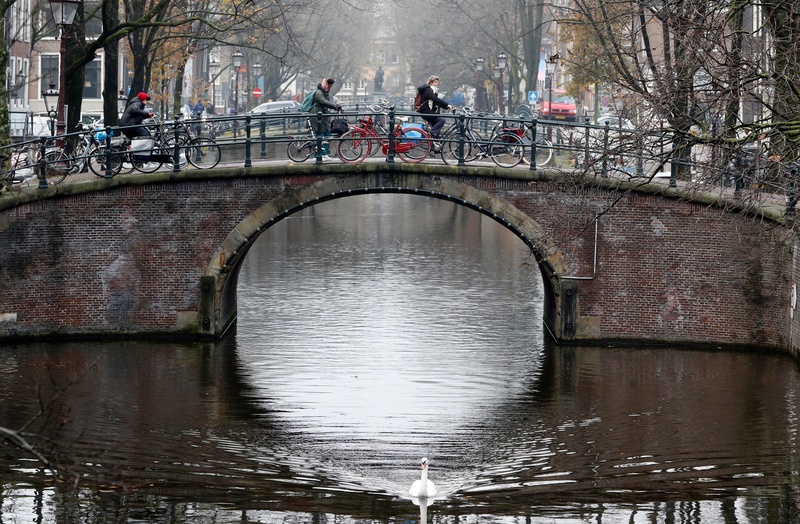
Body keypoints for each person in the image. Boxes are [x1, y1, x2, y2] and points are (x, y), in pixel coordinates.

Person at [417, 75, 452, 152]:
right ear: (431, 83)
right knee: (441, 120)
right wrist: (447, 104)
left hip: (429, 112)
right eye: (435, 82)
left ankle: (435, 147)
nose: (437, 84)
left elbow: (436, 102)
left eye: (437, 82)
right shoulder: (428, 91)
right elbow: (435, 99)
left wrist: (447, 107)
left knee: (437, 127)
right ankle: (431, 136)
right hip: (426, 112)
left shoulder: (433, 91)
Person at [310, 77, 342, 161]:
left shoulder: (325, 93)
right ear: (325, 85)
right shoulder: (319, 92)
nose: (330, 88)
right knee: (320, 135)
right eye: (329, 86)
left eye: (331, 86)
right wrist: (334, 106)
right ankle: (318, 155)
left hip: (323, 117)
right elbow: (323, 101)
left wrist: (337, 106)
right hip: (316, 117)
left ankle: (324, 154)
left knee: (327, 134)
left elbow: (328, 102)